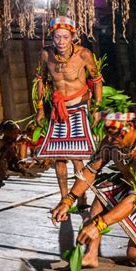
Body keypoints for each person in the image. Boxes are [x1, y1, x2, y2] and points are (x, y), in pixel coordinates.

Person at [51, 109, 136, 267]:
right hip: (130, 188)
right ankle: (91, 256)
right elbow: (90, 170)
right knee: (100, 200)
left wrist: (99, 225)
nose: (109, 138)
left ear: (132, 128)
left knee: (135, 257)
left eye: (116, 133)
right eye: (108, 133)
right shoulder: (109, 143)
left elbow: (134, 199)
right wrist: (68, 200)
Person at [35, 16, 103, 207]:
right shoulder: (46, 55)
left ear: (73, 36)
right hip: (58, 108)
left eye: (65, 37)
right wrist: (40, 108)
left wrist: (97, 108)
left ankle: (80, 197)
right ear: (52, 37)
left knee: (76, 155)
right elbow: (41, 79)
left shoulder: (84, 55)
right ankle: (64, 197)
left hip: (79, 106)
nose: (61, 42)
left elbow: (97, 80)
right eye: (57, 37)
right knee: (59, 156)